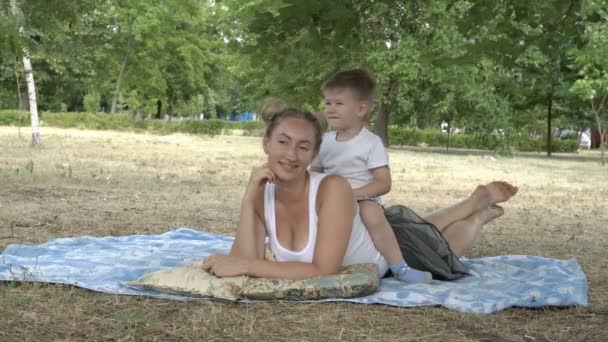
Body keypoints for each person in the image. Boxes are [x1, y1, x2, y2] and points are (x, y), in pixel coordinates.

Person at [202, 108, 518, 280]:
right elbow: (244, 258)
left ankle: (478, 213)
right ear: (266, 145)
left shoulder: (333, 187)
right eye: (283, 142)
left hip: (394, 256)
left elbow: (321, 271)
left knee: (441, 246)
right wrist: (248, 200)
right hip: (377, 231)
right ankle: (474, 203)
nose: (291, 155)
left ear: (313, 154)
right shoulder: (262, 192)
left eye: (303, 146)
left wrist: (248, 266)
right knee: (418, 228)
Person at [311, 69, 431, 284]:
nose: (330, 109)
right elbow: (315, 173)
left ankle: (400, 267)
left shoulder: (371, 142)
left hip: (363, 198)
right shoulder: (324, 141)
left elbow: (384, 182)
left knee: (372, 215)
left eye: (338, 103)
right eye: (327, 103)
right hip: (329, 197)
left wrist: (352, 194)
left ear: (361, 109)